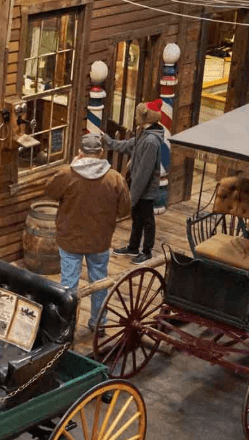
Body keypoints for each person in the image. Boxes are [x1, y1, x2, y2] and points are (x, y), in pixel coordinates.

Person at [46, 133, 131, 336]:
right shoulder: (115, 178)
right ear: (101, 152)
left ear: (80, 152)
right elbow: (125, 209)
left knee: (68, 284)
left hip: (70, 238)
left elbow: (50, 191)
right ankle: (99, 322)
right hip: (100, 239)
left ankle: (66, 326)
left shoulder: (67, 174)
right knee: (99, 281)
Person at [104, 99, 165, 265]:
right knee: (137, 218)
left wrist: (132, 197)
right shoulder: (143, 134)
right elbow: (128, 145)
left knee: (147, 220)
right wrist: (109, 142)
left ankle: (147, 251)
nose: (135, 118)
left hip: (145, 189)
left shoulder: (151, 141)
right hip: (138, 188)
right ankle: (133, 247)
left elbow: (143, 174)